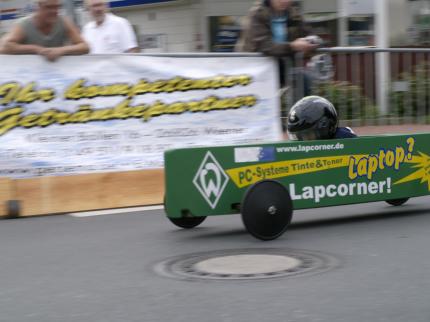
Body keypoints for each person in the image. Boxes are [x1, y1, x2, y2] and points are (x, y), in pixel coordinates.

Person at [235, 0, 317, 87]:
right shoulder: (258, 14)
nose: (284, 1)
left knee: (304, 80)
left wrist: (312, 41)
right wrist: (292, 46)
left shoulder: (294, 13)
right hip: (256, 68)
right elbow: (265, 46)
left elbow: (307, 32)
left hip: (284, 65)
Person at [2, 0, 89, 62]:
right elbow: (5, 47)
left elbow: (85, 47)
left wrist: (61, 50)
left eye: (57, 7)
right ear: (38, 7)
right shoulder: (24, 24)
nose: (54, 11)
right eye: (49, 7)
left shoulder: (63, 22)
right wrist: (36, 49)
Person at [287, 96, 357, 140]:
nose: (303, 141)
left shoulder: (345, 139)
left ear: (324, 127)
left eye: (308, 135)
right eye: (299, 137)